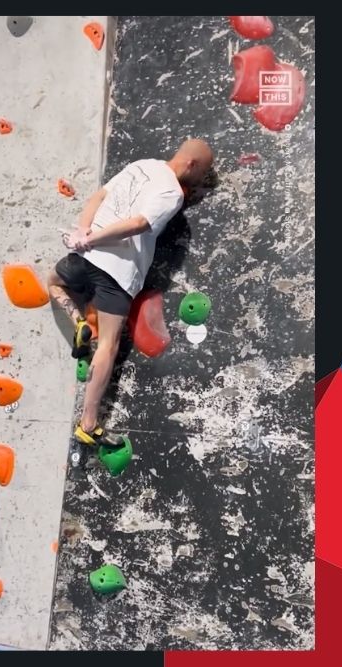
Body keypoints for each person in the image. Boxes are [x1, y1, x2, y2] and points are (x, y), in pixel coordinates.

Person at [47, 139, 214, 449]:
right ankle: (88, 424)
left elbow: (98, 196)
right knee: (108, 345)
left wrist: (83, 233)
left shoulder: (141, 164)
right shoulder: (173, 192)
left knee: (54, 283)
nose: (200, 179)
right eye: (202, 173)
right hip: (118, 272)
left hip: (85, 256)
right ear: (191, 164)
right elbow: (138, 223)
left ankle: (79, 323)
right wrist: (93, 239)